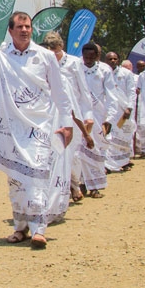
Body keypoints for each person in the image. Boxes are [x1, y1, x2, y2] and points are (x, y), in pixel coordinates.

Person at [0, 12, 72, 248]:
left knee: (37, 176)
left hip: (39, 127)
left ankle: (39, 229)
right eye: (20, 27)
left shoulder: (45, 57)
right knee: (16, 179)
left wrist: (67, 123)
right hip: (10, 128)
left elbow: (60, 92)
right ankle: (20, 227)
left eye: (28, 26)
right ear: (10, 30)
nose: (25, 30)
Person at [41, 31, 94, 218]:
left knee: (71, 155)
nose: (53, 56)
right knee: (53, 156)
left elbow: (83, 91)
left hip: (72, 114)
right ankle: (61, 192)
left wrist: (87, 115)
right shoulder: (42, 65)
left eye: (55, 52)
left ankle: (73, 185)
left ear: (61, 48)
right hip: (49, 117)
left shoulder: (74, 63)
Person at [76, 42, 121, 198]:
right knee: (80, 151)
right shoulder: (76, 67)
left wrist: (109, 120)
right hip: (80, 116)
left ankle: (95, 186)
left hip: (99, 116)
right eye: (85, 57)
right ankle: (82, 183)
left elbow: (112, 96)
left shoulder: (105, 70)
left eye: (91, 57)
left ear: (97, 56)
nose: (88, 60)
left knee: (96, 149)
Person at [105, 52, 136, 172]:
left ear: (118, 60)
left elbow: (131, 92)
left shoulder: (126, 73)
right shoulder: (103, 72)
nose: (112, 61)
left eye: (115, 58)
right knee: (109, 137)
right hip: (109, 110)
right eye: (110, 59)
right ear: (106, 61)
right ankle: (108, 164)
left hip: (123, 110)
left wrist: (129, 108)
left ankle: (124, 162)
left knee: (124, 136)